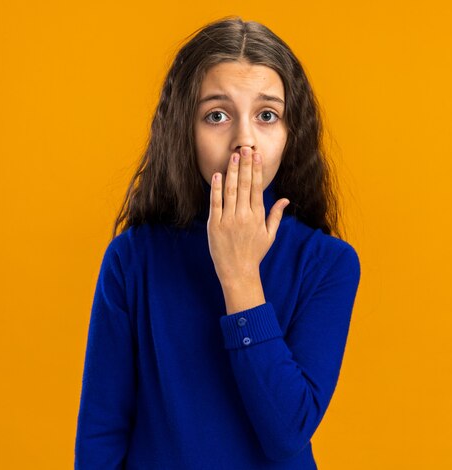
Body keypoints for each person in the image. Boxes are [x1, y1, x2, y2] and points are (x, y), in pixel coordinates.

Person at [74, 16, 361, 470]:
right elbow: (100, 434)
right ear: (184, 130)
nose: (244, 140)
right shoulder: (133, 258)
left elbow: (288, 432)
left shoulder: (327, 264)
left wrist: (241, 276)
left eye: (267, 115)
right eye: (217, 115)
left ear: (291, 134)